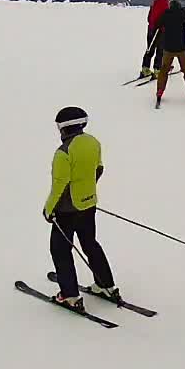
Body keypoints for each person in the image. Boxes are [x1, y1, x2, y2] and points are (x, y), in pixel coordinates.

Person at [43, 107, 119, 312]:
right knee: (90, 243)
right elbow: (99, 169)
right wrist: (86, 191)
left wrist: (48, 210)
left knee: (60, 250)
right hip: (89, 204)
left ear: (63, 128)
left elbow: (59, 184)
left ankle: (70, 296)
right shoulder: (93, 142)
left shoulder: (63, 152)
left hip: (66, 211)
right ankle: (106, 285)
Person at [153, 0, 185, 109]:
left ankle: (160, 92)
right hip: (181, 48)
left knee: (164, 70)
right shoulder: (183, 12)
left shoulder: (166, 13)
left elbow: (157, 25)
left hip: (168, 48)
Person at [139, 0, 171, 78]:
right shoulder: (165, 5)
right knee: (160, 50)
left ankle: (145, 68)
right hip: (159, 31)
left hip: (151, 30)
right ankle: (157, 70)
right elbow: (166, 19)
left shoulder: (154, 4)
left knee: (150, 49)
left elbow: (149, 18)